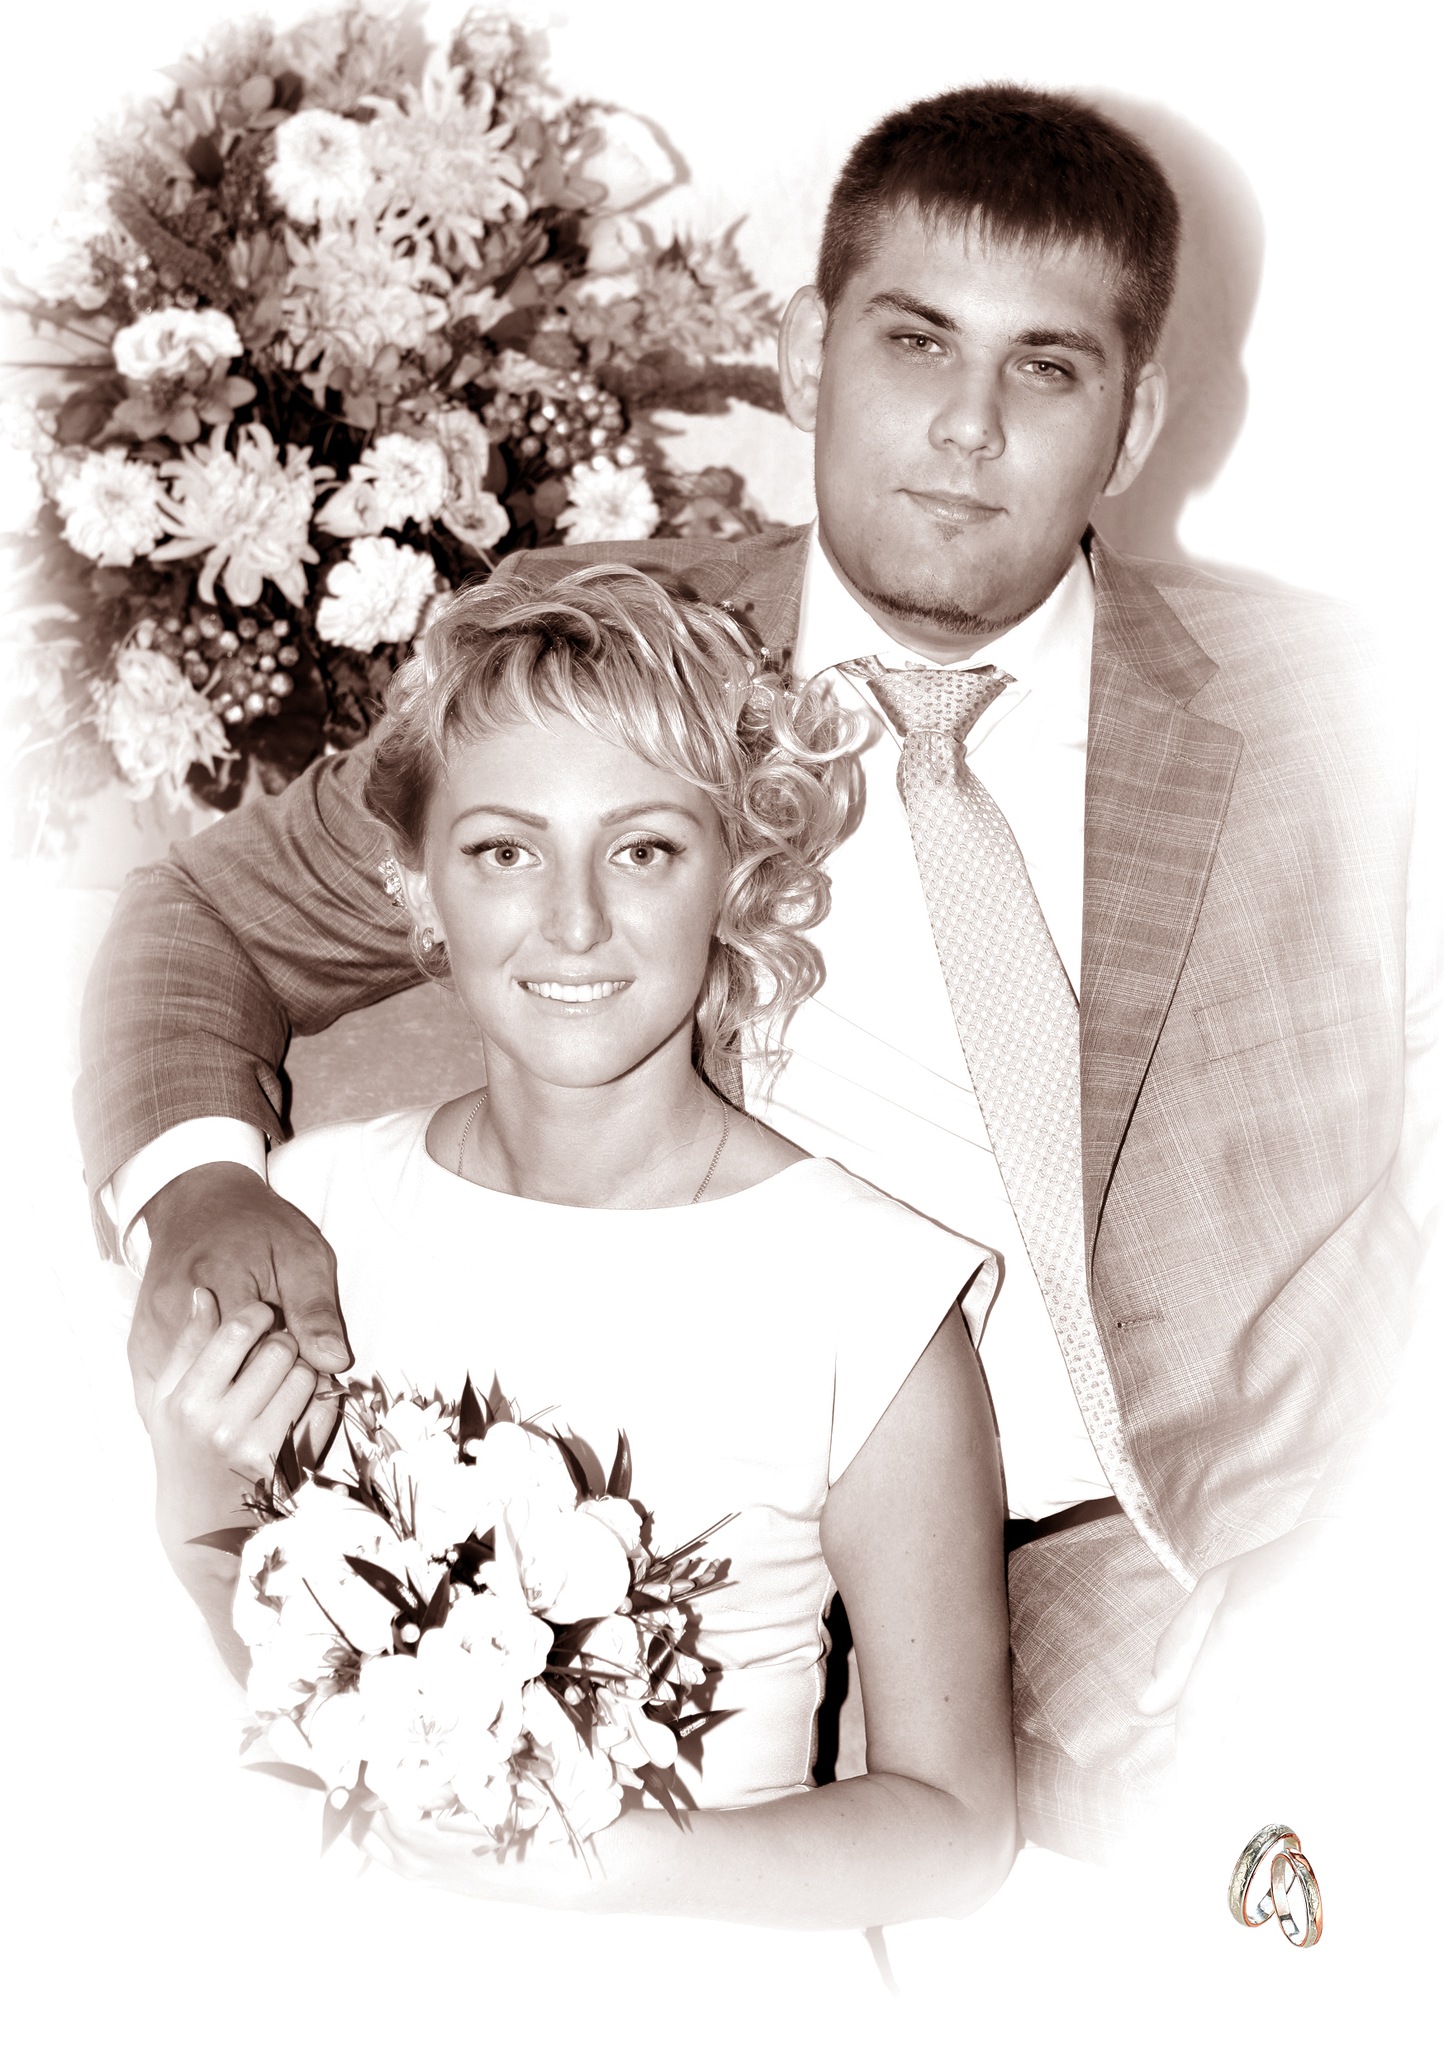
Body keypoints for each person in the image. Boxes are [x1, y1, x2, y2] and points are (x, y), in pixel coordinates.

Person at [79, 84, 1423, 1858]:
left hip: (1235, 1557)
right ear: (805, 356)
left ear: (1135, 420)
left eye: (1045, 369)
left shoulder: (1347, 711)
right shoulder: (609, 661)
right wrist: (193, 1193)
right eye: (915, 341)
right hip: (711, 1593)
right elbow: (202, 917)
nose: (966, 427)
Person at [144, 566, 1016, 1927]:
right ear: (418, 884)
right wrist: (194, 1484)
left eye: (643, 849)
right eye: (505, 851)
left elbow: (955, 1831)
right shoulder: (305, 1227)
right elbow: (267, 1711)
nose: (573, 922)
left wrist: (588, 1863)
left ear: (739, 872)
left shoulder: (872, 1294)